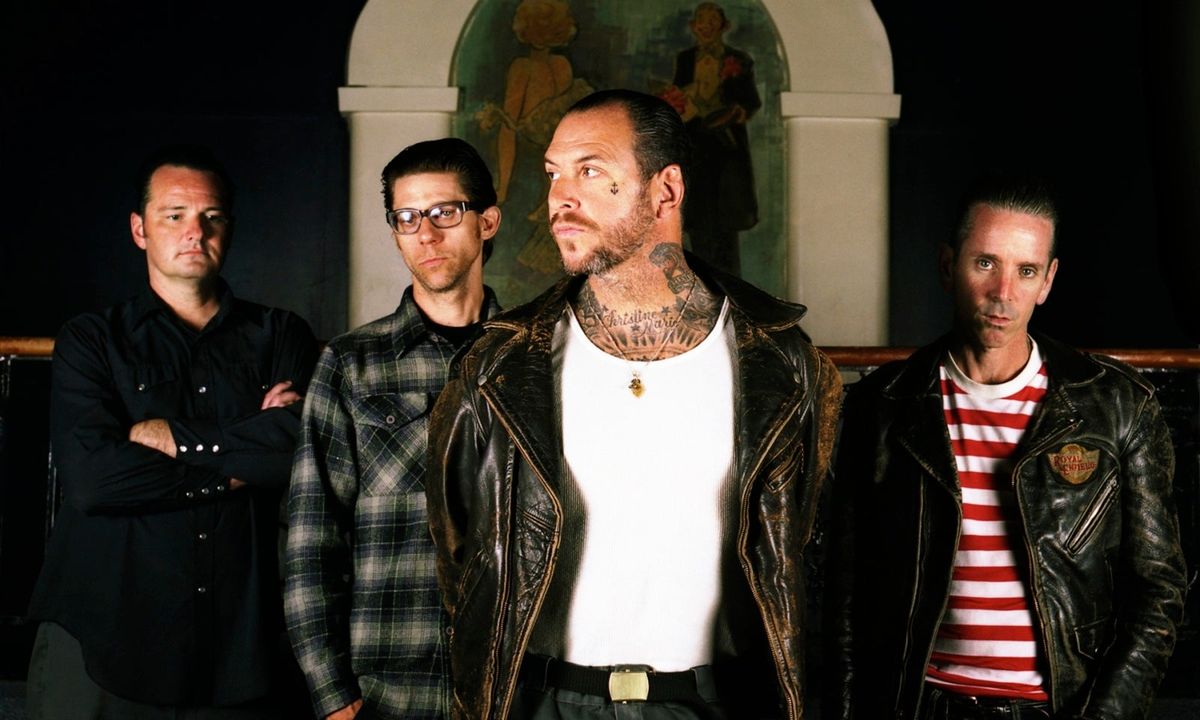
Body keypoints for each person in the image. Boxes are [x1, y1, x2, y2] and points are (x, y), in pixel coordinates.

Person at [427, 89, 842, 719]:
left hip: (716, 705)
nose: (560, 198)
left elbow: (811, 560)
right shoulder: (498, 367)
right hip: (546, 704)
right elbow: (462, 561)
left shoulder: (782, 364)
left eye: (590, 170)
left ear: (665, 190)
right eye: (553, 174)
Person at [826, 178, 1187, 720]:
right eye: (985, 263)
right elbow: (847, 595)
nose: (1003, 293)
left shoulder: (1116, 406)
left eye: (1026, 271)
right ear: (948, 265)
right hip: (921, 705)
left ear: (1048, 281)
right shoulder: (884, 404)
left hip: (1057, 708)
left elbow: (1158, 591)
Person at [25, 145, 319, 719]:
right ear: (140, 229)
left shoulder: (282, 334)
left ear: (229, 228)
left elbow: (299, 452)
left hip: (239, 646)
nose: (195, 231)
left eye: (212, 216)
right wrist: (238, 457)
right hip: (104, 634)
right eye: (175, 215)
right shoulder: (91, 340)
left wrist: (175, 439)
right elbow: (92, 480)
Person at [285, 138, 503, 720]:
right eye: (406, 217)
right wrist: (332, 692)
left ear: (487, 222)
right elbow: (311, 541)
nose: (424, 234)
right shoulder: (351, 364)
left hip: (513, 686)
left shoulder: (534, 360)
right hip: (386, 693)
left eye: (444, 212)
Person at [661, 2, 761, 276]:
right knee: (698, 219)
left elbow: (750, 102)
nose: (706, 26)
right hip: (695, 150)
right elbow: (677, 98)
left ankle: (730, 286)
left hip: (726, 149)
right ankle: (701, 284)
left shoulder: (738, 60)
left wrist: (734, 112)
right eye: (701, 21)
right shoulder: (685, 59)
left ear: (724, 26)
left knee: (725, 223)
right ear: (693, 27)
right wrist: (681, 104)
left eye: (712, 21)